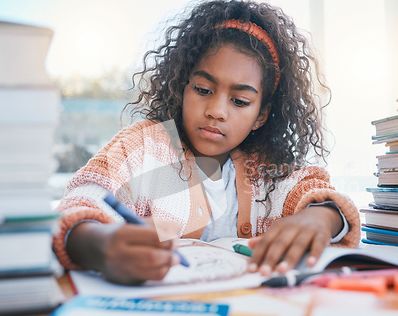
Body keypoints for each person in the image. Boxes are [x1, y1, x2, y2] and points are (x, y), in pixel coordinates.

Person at [52, 0, 360, 285]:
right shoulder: (144, 146)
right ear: (181, 87)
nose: (216, 111)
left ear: (261, 115)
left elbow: (317, 194)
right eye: (202, 89)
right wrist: (99, 245)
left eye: (240, 101)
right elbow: (81, 201)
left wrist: (322, 218)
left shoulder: (268, 168)